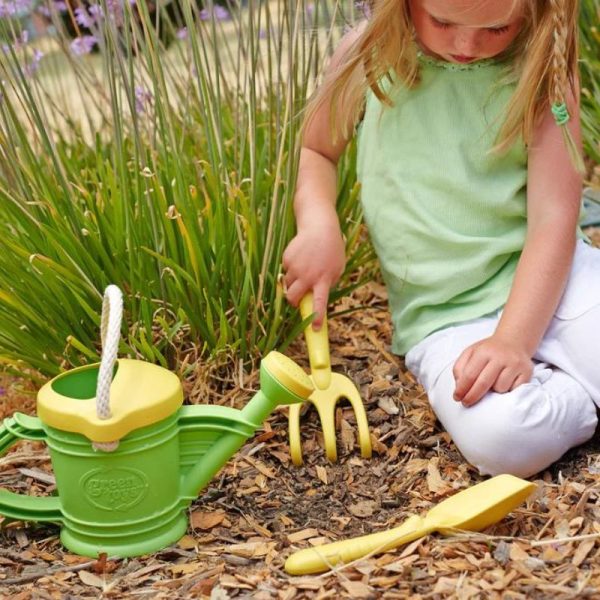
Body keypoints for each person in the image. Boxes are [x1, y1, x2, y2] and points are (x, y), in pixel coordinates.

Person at [281, 0, 600, 478]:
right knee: (501, 440)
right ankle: (580, 394)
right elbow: (318, 150)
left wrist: (514, 341)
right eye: (444, 22)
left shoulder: (541, 69)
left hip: (552, 281)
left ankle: (560, 373)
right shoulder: (368, 57)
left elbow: (553, 220)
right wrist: (318, 223)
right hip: (447, 317)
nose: (466, 46)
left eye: (496, 28)